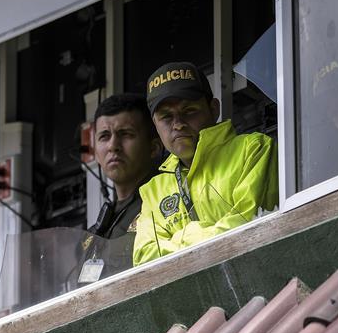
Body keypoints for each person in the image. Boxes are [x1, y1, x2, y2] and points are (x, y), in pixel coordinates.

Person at [132, 61, 278, 266]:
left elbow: (245, 226)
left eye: (189, 111)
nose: (178, 124)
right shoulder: (153, 191)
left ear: (214, 109)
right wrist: (203, 233)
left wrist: (181, 237)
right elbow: (144, 258)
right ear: (155, 126)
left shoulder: (253, 149)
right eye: (166, 117)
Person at [87, 93, 162, 239]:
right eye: (104, 136)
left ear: (154, 148)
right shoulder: (97, 230)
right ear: (95, 153)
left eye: (125, 134)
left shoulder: (168, 205)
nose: (113, 146)